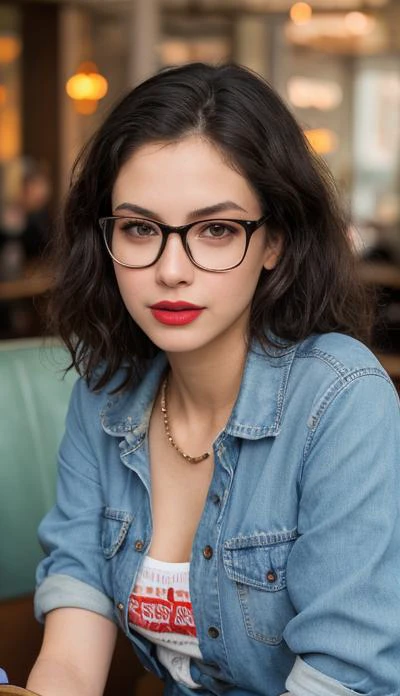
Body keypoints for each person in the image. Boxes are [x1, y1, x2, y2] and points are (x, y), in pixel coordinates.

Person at [27, 63, 400, 696]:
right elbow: (74, 624)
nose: (172, 269)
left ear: (273, 242)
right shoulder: (105, 390)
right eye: (141, 228)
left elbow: (344, 675)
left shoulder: (341, 397)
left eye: (217, 229)